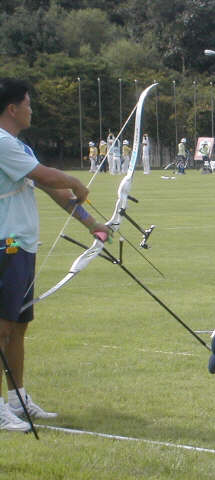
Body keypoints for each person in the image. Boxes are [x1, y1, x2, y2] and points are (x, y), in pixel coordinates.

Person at [0, 78, 110, 432]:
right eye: (28, 103)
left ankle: (17, 400)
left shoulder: (18, 145)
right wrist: (75, 182)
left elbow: (52, 190)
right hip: (5, 244)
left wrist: (93, 224)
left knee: (18, 326)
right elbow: (47, 177)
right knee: (2, 327)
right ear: (12, 108)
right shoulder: (1, 142)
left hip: (22, 244)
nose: (31, 109)